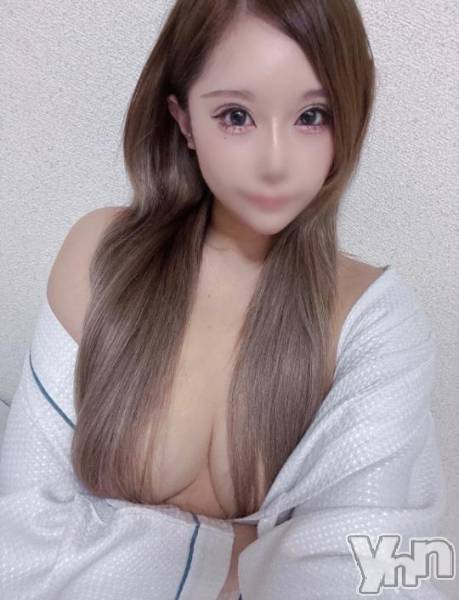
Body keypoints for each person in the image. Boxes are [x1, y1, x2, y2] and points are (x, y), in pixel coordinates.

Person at [0, 1, 448, 599]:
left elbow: (388, 567)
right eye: (236, 116)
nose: (275, 162)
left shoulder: (376, 321)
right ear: (183, 120)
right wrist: (238, 554)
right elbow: (19, 536)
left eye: (312, 115)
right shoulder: (100, 256)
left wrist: (118, 538)